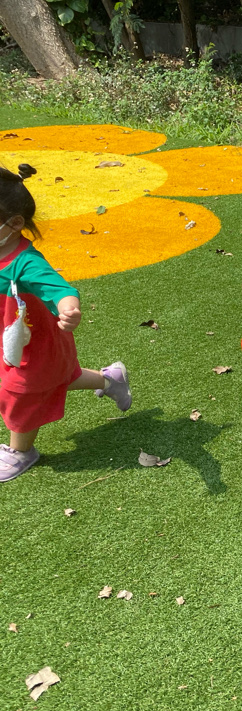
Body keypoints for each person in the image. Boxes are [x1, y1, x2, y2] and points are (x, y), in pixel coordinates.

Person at [0, 164, 132, 483]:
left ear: (14, 223)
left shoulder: (25, 263)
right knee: (58, 379)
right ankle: (110, 380)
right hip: (9, 339)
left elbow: (60, 289)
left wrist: (69, 309)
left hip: (33, 345)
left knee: (21, 393)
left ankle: (21, 451)